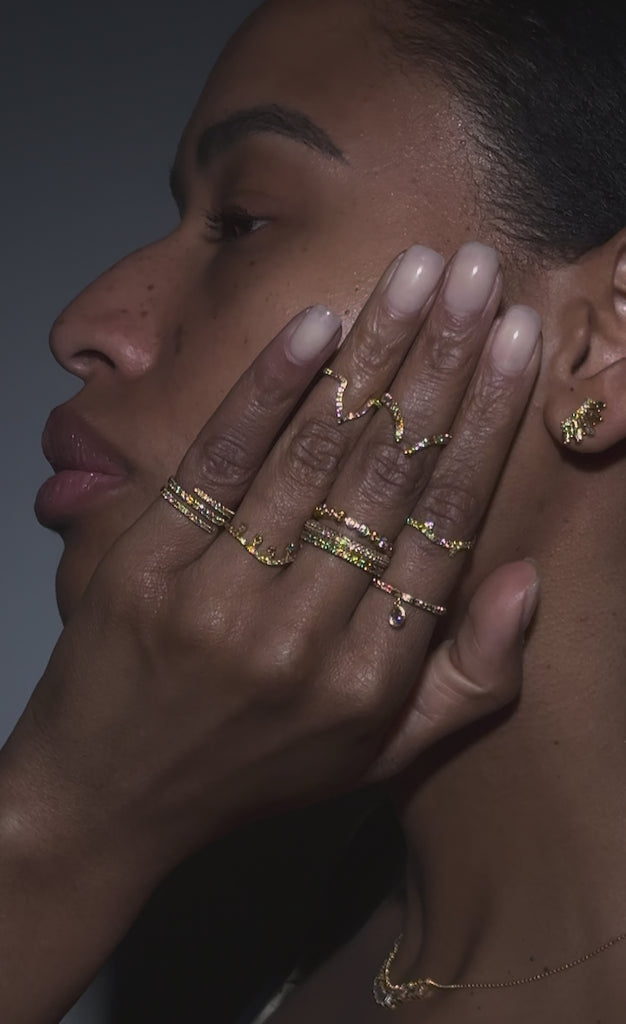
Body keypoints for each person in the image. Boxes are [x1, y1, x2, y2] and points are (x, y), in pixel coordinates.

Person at [2, 0, 625, 1021]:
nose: (86, 324)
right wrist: (60, 826)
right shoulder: (207, 926)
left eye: (241, 221)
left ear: (599, 342)